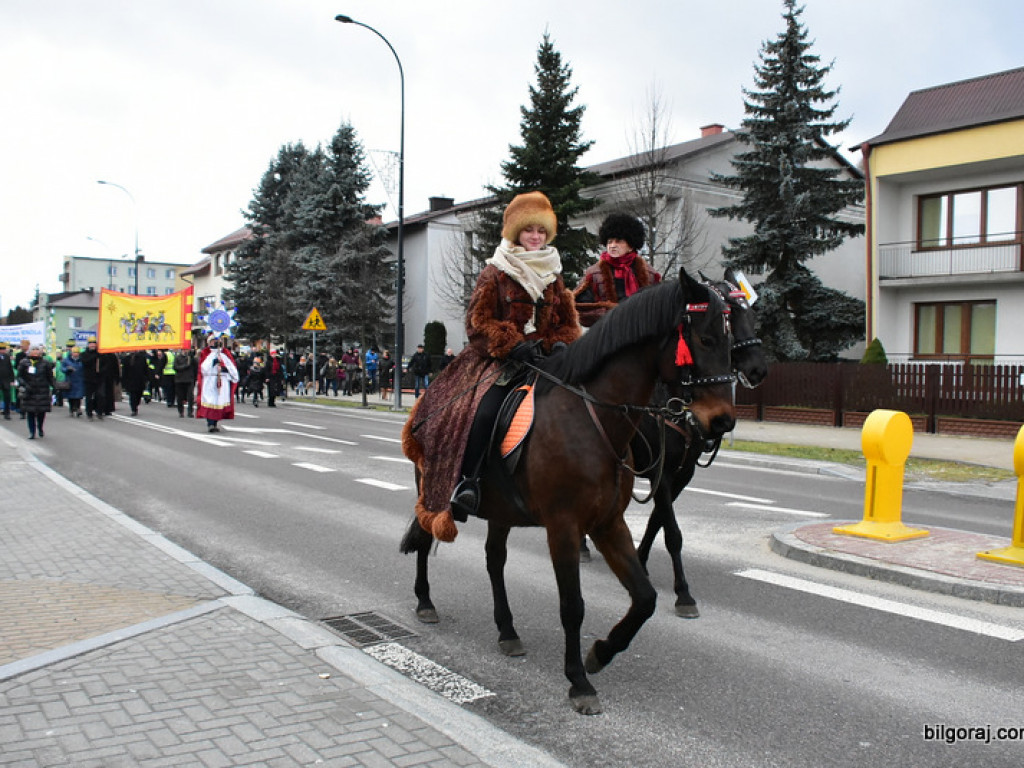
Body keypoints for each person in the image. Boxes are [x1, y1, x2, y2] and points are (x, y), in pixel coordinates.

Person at [401, 190, 581, 539]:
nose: (535, 236)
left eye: (541, 231)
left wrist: (561, 342)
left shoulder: (554, 275)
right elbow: (477, 323)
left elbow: (565, 322)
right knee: (484, 412)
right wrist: (511, 345)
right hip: (499, 360)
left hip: (545, 361)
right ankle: (466, 484)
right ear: (516, 232)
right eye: (529, 229)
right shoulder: (495, 272)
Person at [573, 211, 661, 327]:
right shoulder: (593, 274)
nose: (612, 245)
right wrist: (609, 313)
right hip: (606, 333)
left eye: (618, 241)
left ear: (631, 246)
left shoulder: (650, 274)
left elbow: (660, 308)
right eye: (609, 242)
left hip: (641, 333)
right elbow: (579, 308)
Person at [195, 335, 239, 432]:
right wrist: (213, 362)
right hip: (210, 380)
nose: (216, 342)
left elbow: (232, 367)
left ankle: (214, 423)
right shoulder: (206, 353)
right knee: (211, 402)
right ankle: (210, 423)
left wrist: (225, 370)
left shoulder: (225, 353)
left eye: (217, 340)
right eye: (213, 341)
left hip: (222, 380)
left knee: (219, 403)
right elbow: (203, 369)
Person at [16, 345, 54, 439]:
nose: (35, 352)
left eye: (37, 350)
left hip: (42, 390)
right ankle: (32, 432)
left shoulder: (45, 363)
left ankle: (40, 427)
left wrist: (55, 386)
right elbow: (19, 376)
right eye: (33, 350)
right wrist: (24, 384)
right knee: (30, 412)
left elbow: (50, 377)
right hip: (29, 391)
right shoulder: (24, 362)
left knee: (41, 412)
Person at [120, 349, 151, 416]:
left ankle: (136, 404)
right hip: (130, 380)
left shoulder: (142, 358)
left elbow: (145, 368)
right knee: (132, 395)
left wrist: (147, 377)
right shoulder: (126, 359)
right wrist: (123, 381)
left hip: (140, 380)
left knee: (139, 394)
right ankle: (133, 409)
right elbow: (124, 371)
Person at [172, 345, 197, 417]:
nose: (186, 351)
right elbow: (175, 367)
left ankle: (190, 412)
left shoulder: (191, 358)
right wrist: (185, 366)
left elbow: (196, 367)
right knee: (180, 397)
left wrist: (195, 378)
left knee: (190, 397)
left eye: (188, 349)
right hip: (180, 380)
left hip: (189, 380)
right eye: (185, 349)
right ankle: (181, 411)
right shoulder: (177, 357)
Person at [61, 346, 85, 417]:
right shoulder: (66, 360)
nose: (76, 354)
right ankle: (71, 409)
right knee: (71, 396)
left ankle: (78, 408)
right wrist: (67, 369)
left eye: (77, 352)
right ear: (71, 353)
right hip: (70, 380)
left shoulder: (82, 360)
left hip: (79, 380)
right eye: (74, 352)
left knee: (78, 396)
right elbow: (62, 368)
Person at [0, 342, 14, 420]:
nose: (3, 351)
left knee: (7, 397)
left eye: (4, 349)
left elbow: (10, 368)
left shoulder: (7, 357)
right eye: (1, 349)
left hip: (6, 380)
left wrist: (12, 379)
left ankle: (7, 413)